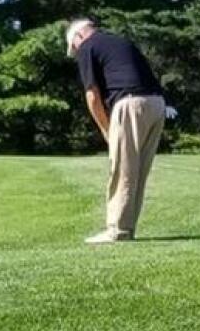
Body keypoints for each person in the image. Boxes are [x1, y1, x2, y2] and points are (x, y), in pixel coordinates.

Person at [65, 18, 166, 244]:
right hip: (157, 104)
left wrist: (105, 129)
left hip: (130, 104)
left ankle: (117, 231)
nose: (76, 52)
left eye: (73, 47)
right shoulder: (119, 41)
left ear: (79, 37)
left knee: (122, 169)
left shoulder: (87, 47)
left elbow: (92, 95)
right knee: (138, 172)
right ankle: (127, 228)